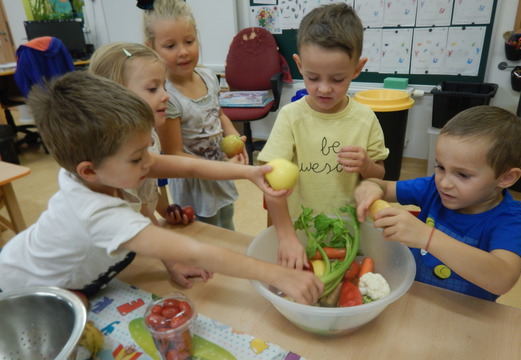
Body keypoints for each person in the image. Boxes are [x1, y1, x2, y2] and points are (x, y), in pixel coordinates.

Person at [0, 71, 323, 305]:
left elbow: (189, 165)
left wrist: (251, 173)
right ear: (90, 170)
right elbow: (195, 251)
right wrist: (279, 275)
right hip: (22, 288)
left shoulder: (100, 171)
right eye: (137, 157)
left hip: (58, 276)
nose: (148, 163)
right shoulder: (95, 213)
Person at [256, 3, 389, 269]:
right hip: (300, 232)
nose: (324, 89)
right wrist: (285, 236)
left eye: (337, 79)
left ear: (357, 68)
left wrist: (366, 165)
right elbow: (270, 183)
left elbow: (379, 175)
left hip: (350, 232)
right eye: (313, 77)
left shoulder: (365, 118)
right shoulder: (291, 117)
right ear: (299, 65)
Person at [355, 106, 521, 301]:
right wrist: (371, 186)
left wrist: (426, 236)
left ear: (506, 177)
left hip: (463, 316)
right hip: (414, 298)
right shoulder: (432, 188)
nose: (444, 183)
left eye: (463, 175)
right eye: (440, 167)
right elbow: (385, 187)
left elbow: (503, 278)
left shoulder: (510, 221)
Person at [142, 0, 246, 231]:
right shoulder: (166, 97)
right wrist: (218, 169)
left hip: (219, 176)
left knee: (227, 225)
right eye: (170, 46)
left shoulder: (208, 76)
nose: (183, 51)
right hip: (195, 186)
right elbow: (174, 154)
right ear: (151, 48)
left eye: (189, 41)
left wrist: (234, 138)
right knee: (204, 233)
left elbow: (219, 114)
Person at [89, 42, 180, 226]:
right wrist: (162, 244)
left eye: (164, 86)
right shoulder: (119, 154)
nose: (166, 96)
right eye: (153, 89)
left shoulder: (149, 135)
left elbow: (145, 190)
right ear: (116, 95)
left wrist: (165, 210)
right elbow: (138, 207)